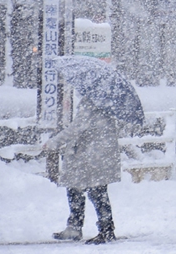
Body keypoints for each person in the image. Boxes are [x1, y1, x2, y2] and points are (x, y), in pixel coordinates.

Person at [43, 100, 121, 244]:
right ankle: (77, 227)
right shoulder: (107, 104)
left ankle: (104, 230)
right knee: (77, 188)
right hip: (93, 156)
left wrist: (54, 142)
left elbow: (75, 129)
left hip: (93, 157)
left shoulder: (91, 104)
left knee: (96, 192)